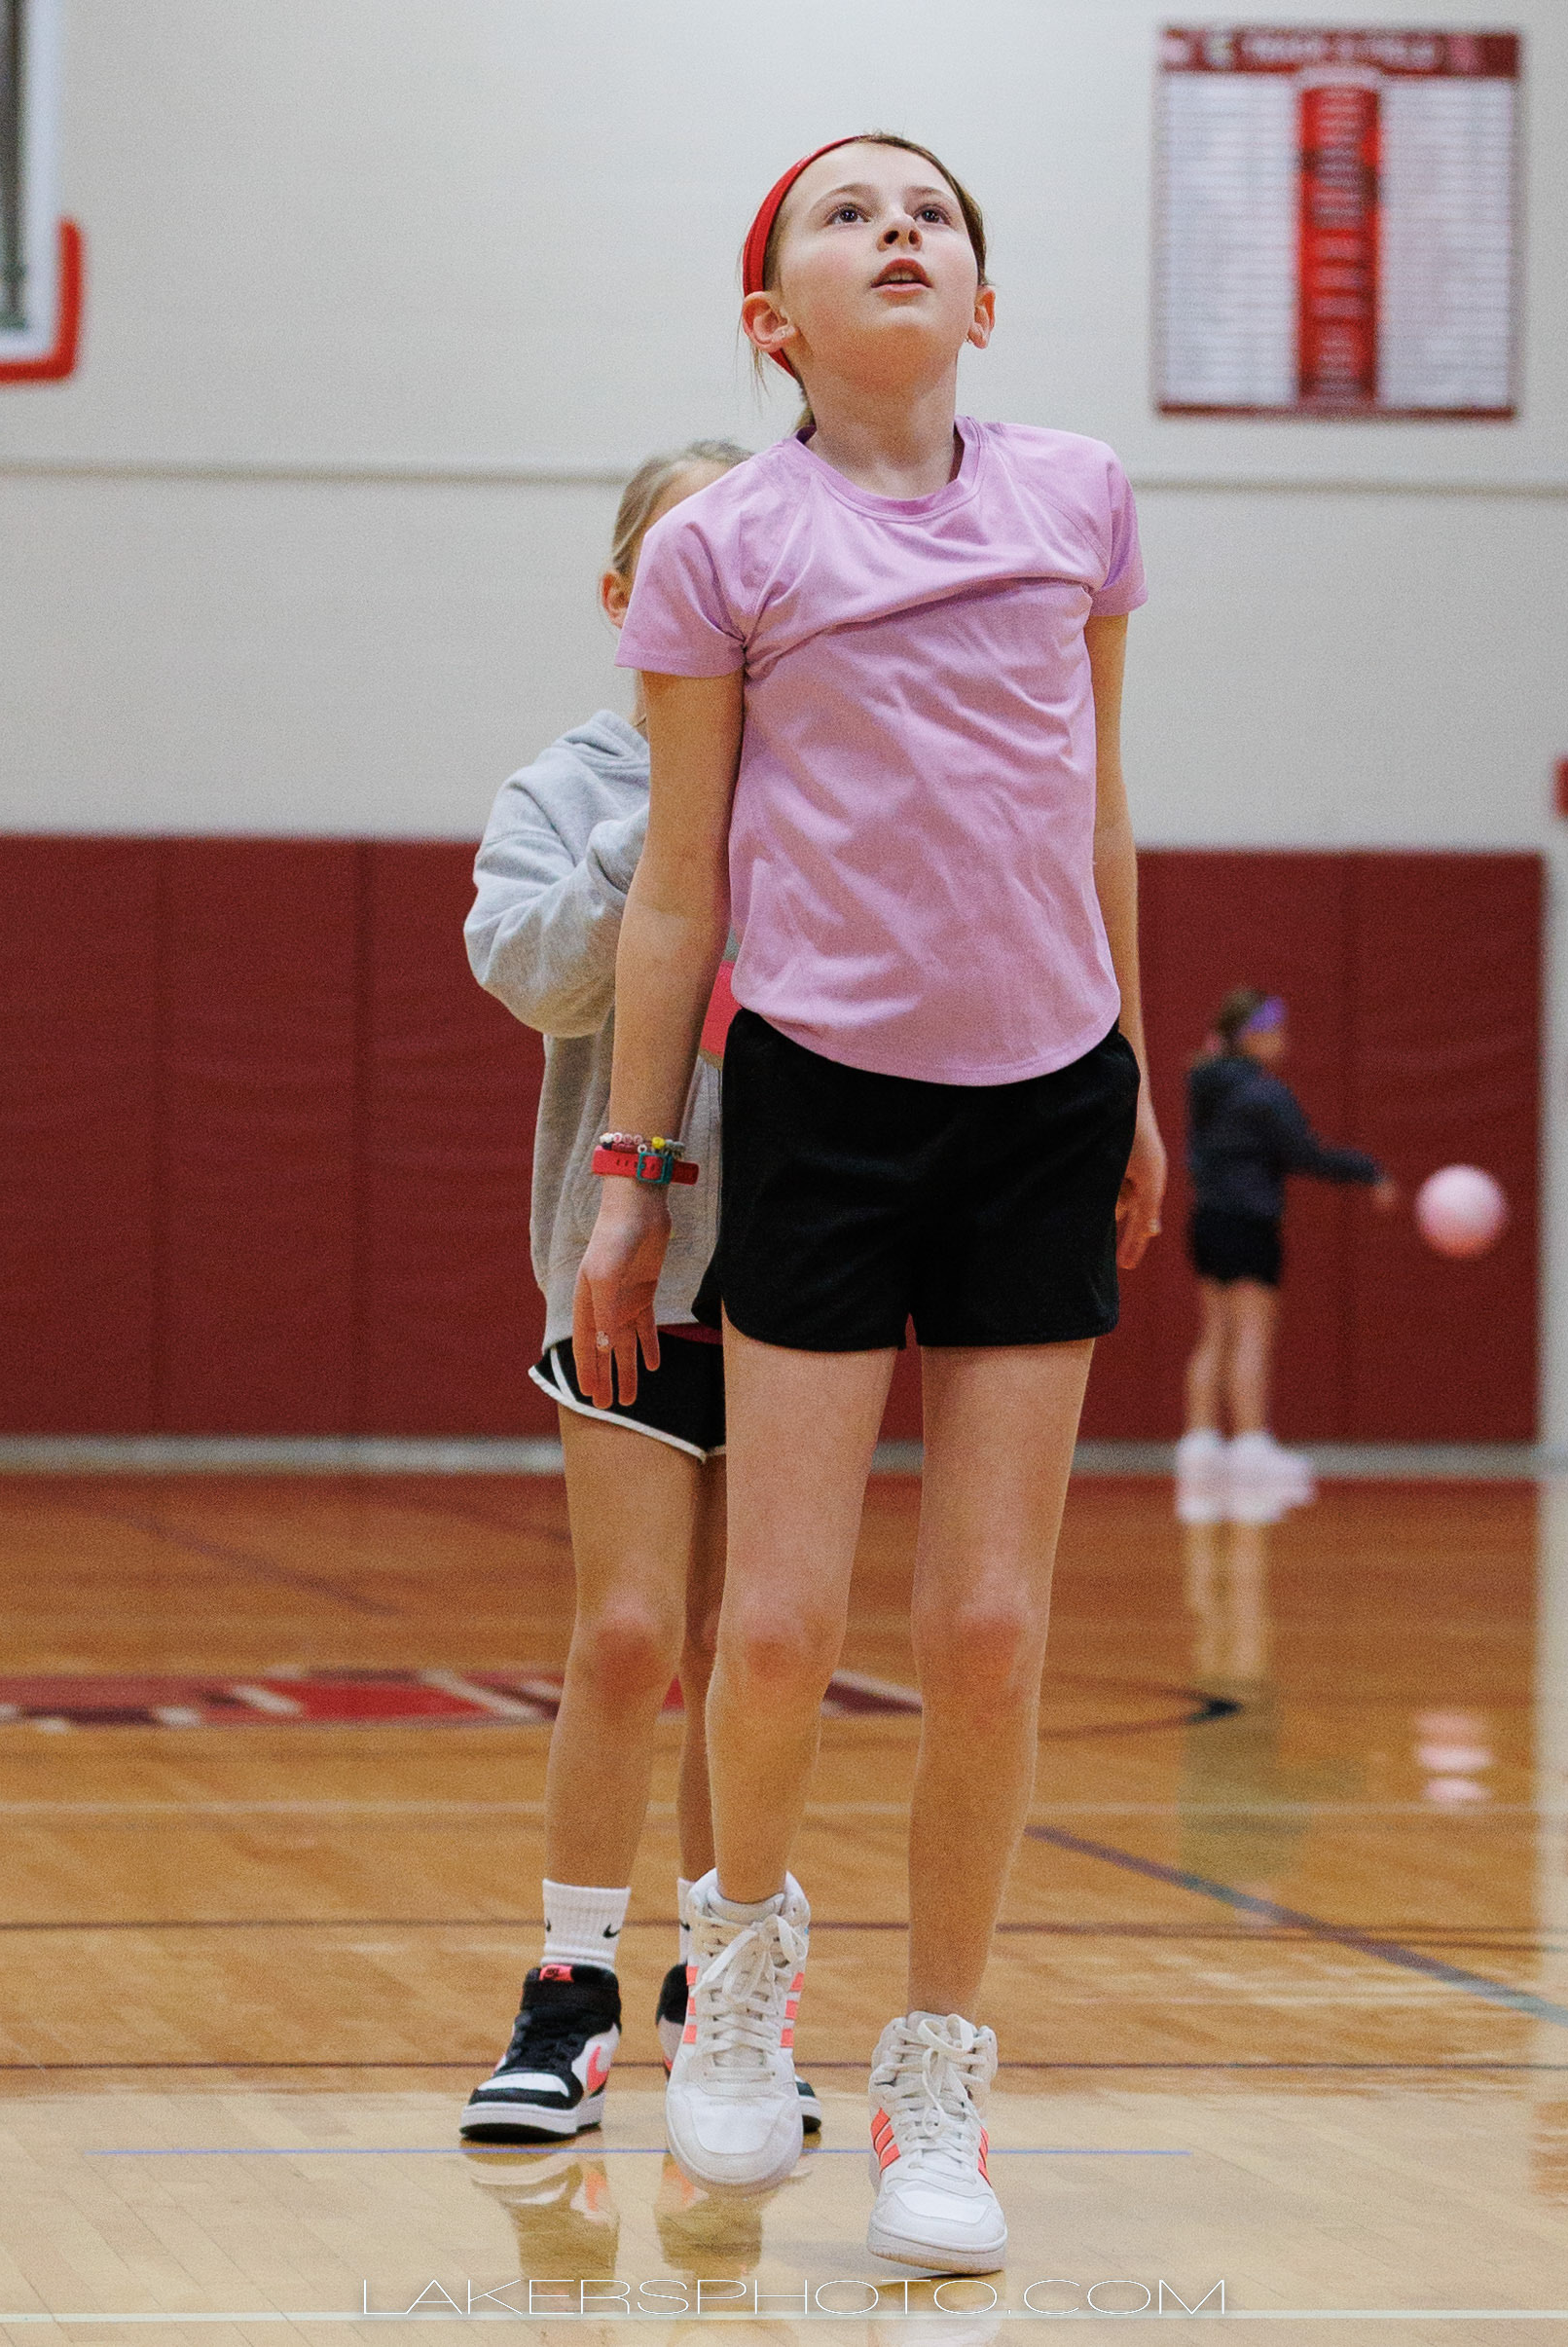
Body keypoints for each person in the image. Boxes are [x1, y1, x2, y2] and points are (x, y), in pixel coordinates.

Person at [572, 134, 1166, 2271]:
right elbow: (675, 885)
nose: (900, 229)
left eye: (934, 214)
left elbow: (1098, 803)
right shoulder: (724, 543)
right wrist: (633, 1176)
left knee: (990, 1630)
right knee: (779, 1625)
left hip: (1045, 1096)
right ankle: (740, 1964)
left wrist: (1133, 1068)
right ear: (775, 324)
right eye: (850, 213)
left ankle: (942, 2074)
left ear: (982, 303)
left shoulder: (1079, 497)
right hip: (821, 1099)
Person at [458, 440, 819, 2144]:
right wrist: (667, 820)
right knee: (625, 1636)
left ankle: (722, 1998)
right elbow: (533, 976)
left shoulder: (836, 779)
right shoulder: (570, 787)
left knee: (756, 1647)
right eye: (686, 565)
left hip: (808, 1268)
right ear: (626, 598)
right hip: (629, 1266)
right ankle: (569, 1992)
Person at [1176, 988, 1397, 1522]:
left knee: (1215, 1333)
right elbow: (1306, 1155)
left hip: (1207, 1221)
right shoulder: (1264, 1094)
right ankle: (1251, 1449)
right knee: (1251, 1334)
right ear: (1252, 1036)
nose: (1284, 1040)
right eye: (1275, 1030)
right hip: (1250, 1224)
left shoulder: (1204, 1082)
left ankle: (1199, 1451)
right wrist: (1369, 1172)